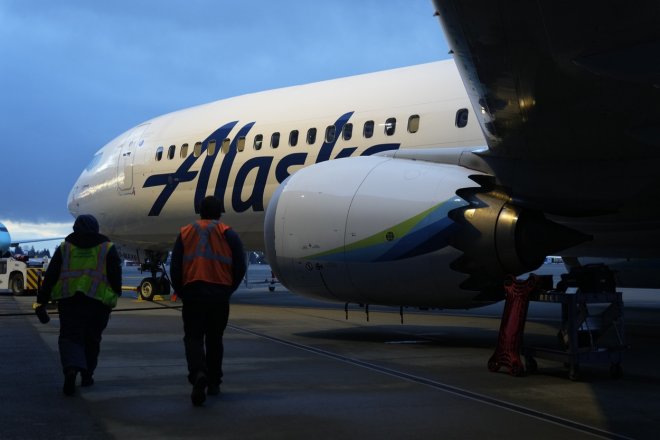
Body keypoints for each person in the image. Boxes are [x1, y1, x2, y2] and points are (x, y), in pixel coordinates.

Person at [170, 195, 246, 406]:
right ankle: (214, 382)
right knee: (215, 339)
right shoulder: (228, 233)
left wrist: (182, 291)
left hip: (193, 293)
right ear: (220, 212)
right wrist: (229, 289)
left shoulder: (185, 232)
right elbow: (240, 265)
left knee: (193, 338)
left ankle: (198, 374)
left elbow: (175, 268)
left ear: (200, 211)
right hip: (219, 294)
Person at [36, 214, 122, 396]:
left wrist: (41, 301)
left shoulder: (65, 248)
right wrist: (116, 293)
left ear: (75, 228)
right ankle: (87, 374)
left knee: (70, 338)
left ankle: (71, 369)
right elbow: (115, 276)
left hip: (70, 302)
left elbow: (51, 276)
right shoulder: (107, 248)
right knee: (92, 340)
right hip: (98, 303)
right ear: (96, 228)